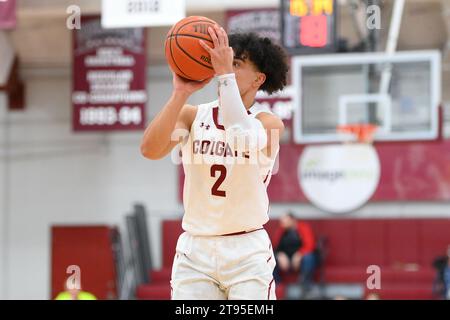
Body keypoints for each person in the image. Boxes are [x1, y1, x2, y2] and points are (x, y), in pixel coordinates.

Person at [140, 26, 288, 300]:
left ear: (258, 79)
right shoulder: (192, 116)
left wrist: (223, 75)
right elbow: (149, 149)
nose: (227, 67)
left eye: (236, 63)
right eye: (226, 61)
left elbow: (238, 131)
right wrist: (180, 93)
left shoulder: (267, 124)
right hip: (196, 251)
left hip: (246, 251)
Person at [272, 212, 317, 293]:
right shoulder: (281, 230)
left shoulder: (303, 227)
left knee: (309, 257)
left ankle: (306, 285)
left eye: (284, 221)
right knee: (272, 258)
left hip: (301, 259)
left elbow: (310, 245)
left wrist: (300, 254)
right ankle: (277, 285)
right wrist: (279, 255)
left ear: (292, 220)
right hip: (285, 259)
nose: (282, 223)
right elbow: (275, 247)